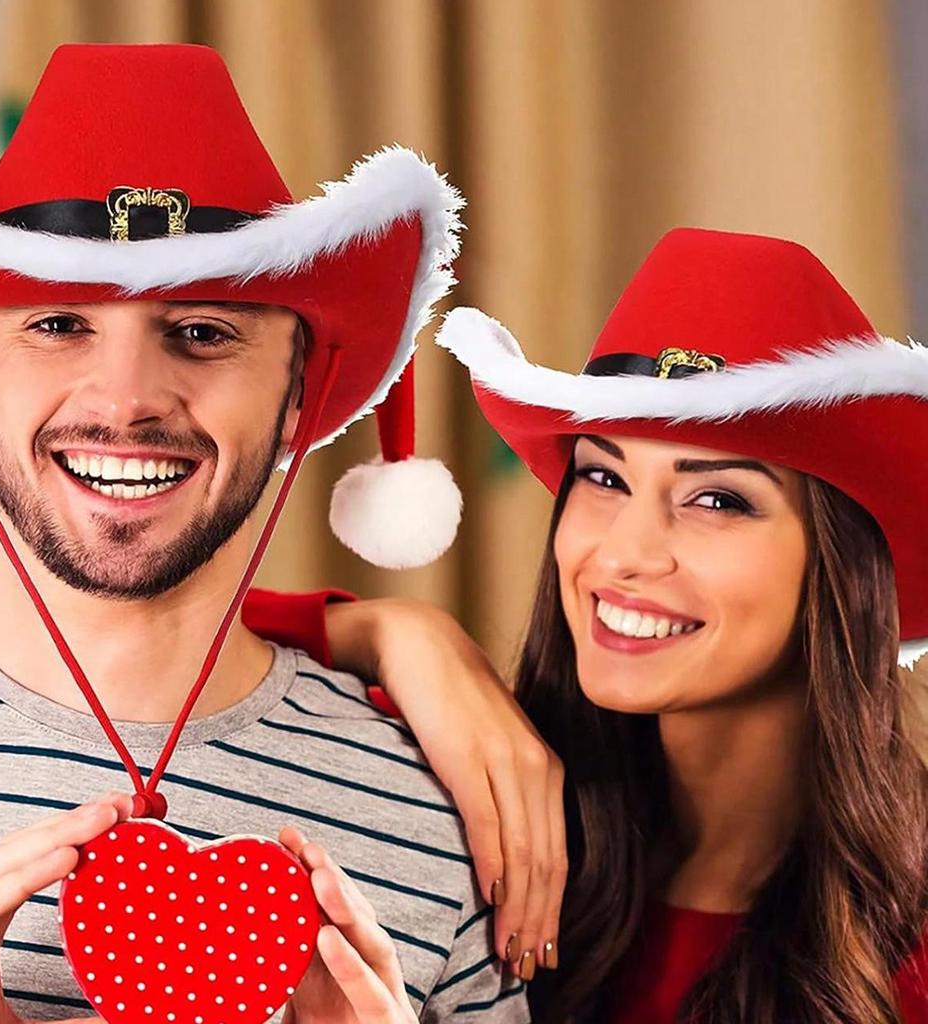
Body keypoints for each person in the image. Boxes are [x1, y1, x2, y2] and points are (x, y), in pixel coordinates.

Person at [0, 43, 555, 1023]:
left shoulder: (437, 813)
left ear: (302, 393)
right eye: (57, 324)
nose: (125, 401)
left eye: (203, 331)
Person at [311, 228, 928, 1022]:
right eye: (603, 477)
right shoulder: (480, 797)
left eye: (717, 499)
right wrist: (398, 634)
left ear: (839, 567)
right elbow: (140, 632)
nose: (624, 553)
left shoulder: (905, 949)